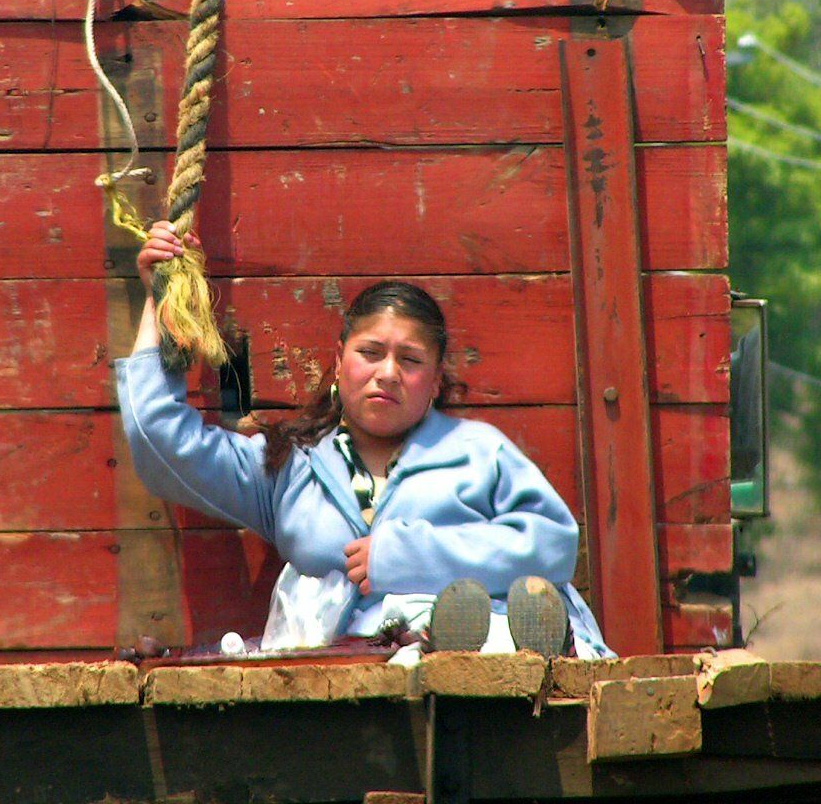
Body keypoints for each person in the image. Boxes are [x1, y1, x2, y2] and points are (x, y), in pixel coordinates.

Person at [115, 221, 613, 658]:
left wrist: (409, 557)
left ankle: (493, 645)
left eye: (411, 360)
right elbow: (159, 441)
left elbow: (553, 547)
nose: (388, 373)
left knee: (488, 626)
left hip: (485, 669)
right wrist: (161, 299)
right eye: (371, 352)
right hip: (351, 672)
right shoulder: (288, 465)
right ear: (338, 361)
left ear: (436, 380)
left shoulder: (479, 450)